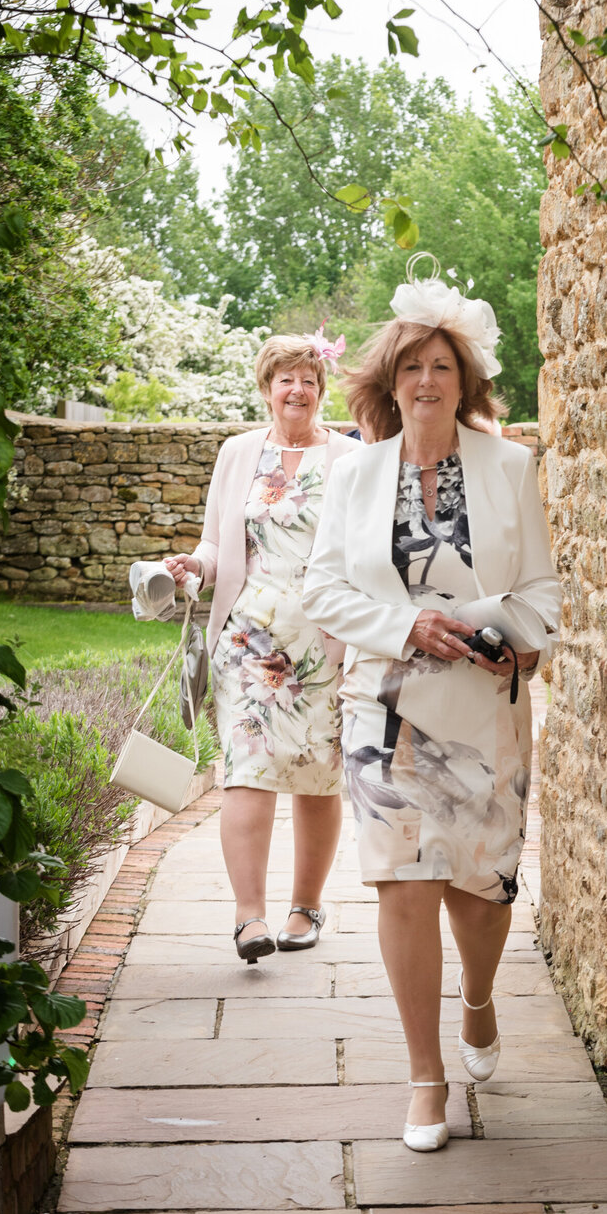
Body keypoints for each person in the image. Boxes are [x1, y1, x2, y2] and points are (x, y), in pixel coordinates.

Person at [302, 270, 561, 1151]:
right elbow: (324, 589)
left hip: (486, 706)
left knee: (479, 897)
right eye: (411, 366)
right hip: (385, 709)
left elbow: (540, 592)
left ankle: (479, 1002)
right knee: (404, 888)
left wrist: (511, 632)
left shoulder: (511, 466)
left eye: (441, 365)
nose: (425, 381)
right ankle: (425, 1080)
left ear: (466, 379)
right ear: (390, 382)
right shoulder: (355, 475)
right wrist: (405, 624)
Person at [165, 331, 358, 963]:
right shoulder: (238, 453)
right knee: (246, 771)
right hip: (248, 640)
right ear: (267, 389)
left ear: (320, 389)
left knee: (317, 777)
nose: (296, 389)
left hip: (324, 644)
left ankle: (306, 906)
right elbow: (219, 546)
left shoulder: (350, 459)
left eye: (307, 379)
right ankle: (249, 918)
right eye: (285, 379)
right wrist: (193, 566)